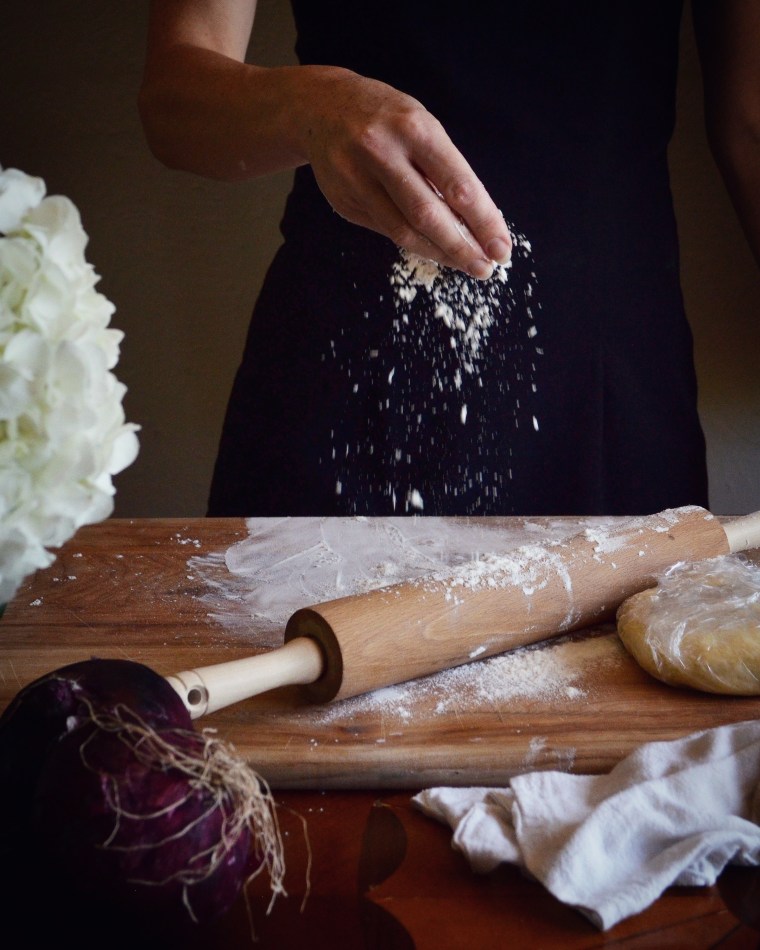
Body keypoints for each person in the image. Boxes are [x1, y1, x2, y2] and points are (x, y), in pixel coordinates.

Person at [139, 0, 760, 518]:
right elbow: (173, 99)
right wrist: (314, 106)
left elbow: (751, 118)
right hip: (357, 356)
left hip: (611, 373)